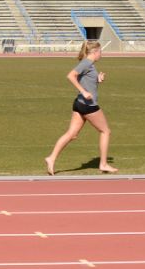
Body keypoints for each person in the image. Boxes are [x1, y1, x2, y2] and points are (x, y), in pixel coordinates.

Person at [44, 40, 118, 175]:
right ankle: (103, 164)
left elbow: (85, 80)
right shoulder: (86, 63)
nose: (101, 54)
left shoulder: (89, 64)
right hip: (89, 105)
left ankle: (51, 158)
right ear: (95, 52)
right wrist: (83, 91)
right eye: (100, 51)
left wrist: (97, 80)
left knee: (72, 134)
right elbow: (71, 76)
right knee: (105, 131)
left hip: (79, 104)